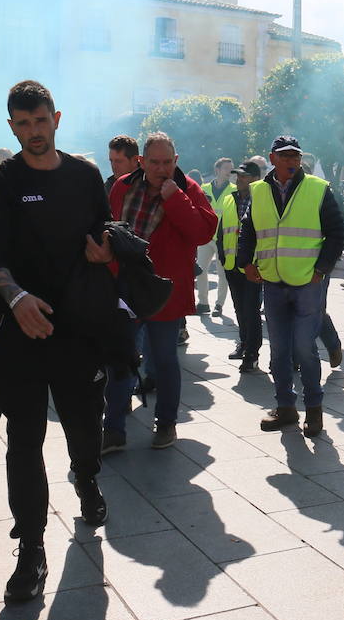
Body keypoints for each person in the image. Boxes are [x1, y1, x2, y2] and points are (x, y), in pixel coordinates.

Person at [0, 80, 115, 602]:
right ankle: (31, 548)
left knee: (85, 426)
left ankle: (86, 478)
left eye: (41, 121)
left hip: (79, 331)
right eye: (23, 123)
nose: (34, 132)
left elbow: (104, 233)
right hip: (24, 332)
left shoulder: (84, 175)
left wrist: (108, 254)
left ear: (56, 118)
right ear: (11, 126)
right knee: (25, 441)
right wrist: (15, 299)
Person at [106, 132, 217, 450]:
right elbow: (112, 231)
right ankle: (113, 428)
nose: (161, 168)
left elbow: (201, 233)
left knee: (166, 360)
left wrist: (175, 198)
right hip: (127, 289)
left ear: (176, 161)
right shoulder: (123, 187)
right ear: (141, 161)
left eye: (167, 162)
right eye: (154, 162)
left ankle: (166, 423)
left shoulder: (188, 189)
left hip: (165, 292)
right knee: (120, 359)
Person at [237, 136, 344, 437]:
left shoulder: (317, 188)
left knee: (304, 348)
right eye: (285, 156)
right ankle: (285, 407)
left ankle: (314, 409)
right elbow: (249, 229)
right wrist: (246, 262)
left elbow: (338, 232)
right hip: (272, 280)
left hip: (306, 282)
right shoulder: (258, 191)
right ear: (272, 159)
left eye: (295, 155)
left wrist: (322, 269)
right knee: (280, 349)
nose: (291, 161)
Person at [220, 158, 264, 373]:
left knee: (251, 309)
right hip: (232, 264)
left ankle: (252, 353)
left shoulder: (263, 200)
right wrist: (222, 256)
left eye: (244, 177)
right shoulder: (230, 199)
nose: (239, 180)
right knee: (239, 308)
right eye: (238, 176)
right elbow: (222, 230)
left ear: (256, 179)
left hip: (254, 266)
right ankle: (244, 342)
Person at [196, 157, 234, 317]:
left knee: (222, 273)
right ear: (217, 170)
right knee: (200, 270)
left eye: (231, 169)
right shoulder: (204, 189)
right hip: (205, 237)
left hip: (224, 238)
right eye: (227, 168)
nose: (230, 172)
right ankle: (203, 303)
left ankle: (219, 304)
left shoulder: (234, 189)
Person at [105, 135, 139, 199]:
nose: (113, 166)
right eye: (111, 161)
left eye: (118, 161)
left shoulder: (150, 181)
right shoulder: (109, 187)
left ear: (135, 160)